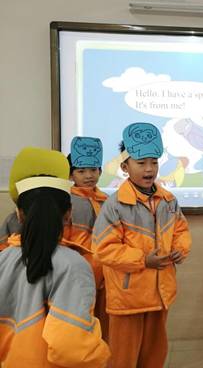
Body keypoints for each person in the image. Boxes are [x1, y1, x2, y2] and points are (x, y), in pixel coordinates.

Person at [92, 122, 191, 368]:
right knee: (123, 358)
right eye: (141, 163)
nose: (149, 169)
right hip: (128, 299)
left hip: (160, 293)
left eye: (154, 162)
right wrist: (143, 260)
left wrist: (180, 248)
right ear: (125, 167)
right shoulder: (115, 205)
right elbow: (103, 249)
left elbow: (181, 229)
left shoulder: (168, 200)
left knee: (154, 355)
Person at [0, 147, 110, 367]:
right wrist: (104, 353)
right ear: (68, 214)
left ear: (19, 215)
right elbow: (71, 349)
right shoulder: (73, 265)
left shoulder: (4, 259)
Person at [65, 136, 110, 339]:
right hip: (78, 272)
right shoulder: (66, 201)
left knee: (103, 323)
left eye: (93, 169)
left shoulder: (108, 201)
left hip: (106, 272)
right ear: (71, 174)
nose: (89, 175)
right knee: (80, 322)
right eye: (81, 171)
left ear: (100, 171)